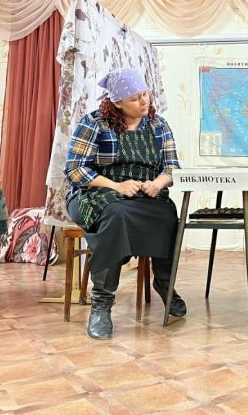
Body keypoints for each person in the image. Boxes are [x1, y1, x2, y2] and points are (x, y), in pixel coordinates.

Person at [65, 68, 186, 340]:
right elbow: (75, 170)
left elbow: (172, 167)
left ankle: (165, 284)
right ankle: (102, 302)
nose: (144, 101)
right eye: (134, 98)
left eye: (145, 94)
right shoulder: (94, 123)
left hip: (144, 194)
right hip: (96, 194)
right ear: (117, 103)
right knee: (117, 215)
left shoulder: (158, 125)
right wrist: (116, 186)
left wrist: (158, 183)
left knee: (168, 215)